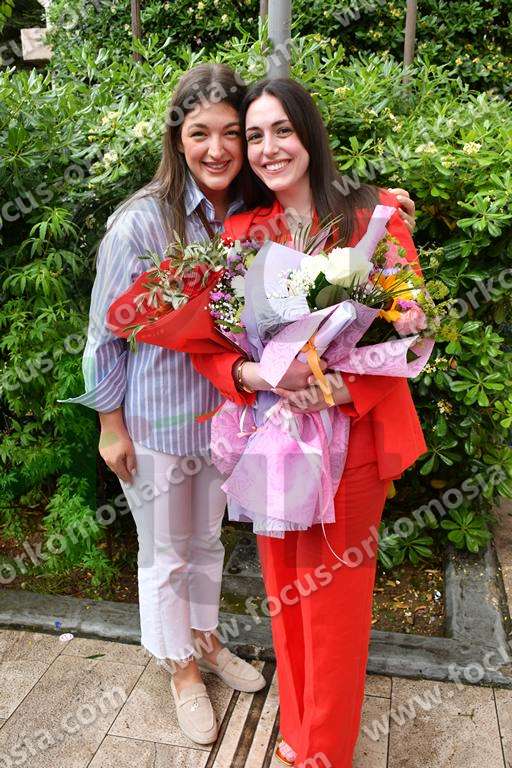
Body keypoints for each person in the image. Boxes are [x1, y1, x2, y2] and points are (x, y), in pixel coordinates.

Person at [190, 77, 427, 767]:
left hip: (352, 443)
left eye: (282, 131)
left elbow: (415, 330)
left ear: (309, 135)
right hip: (273, 441)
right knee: (285, 595)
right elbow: (211, 346)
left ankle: (325, 753)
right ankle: (298, 732)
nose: (268, 148)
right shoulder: (242, 235)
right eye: (255, 135)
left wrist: (338, 386)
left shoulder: (372, 218)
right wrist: (256, 374)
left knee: (334, 609)